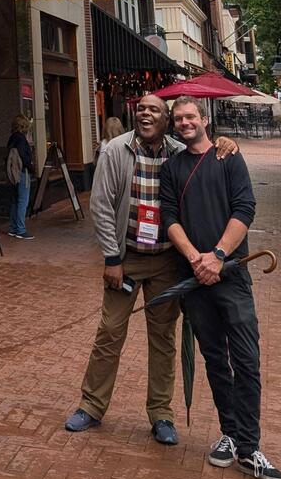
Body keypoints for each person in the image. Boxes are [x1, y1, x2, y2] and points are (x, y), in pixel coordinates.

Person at [64, 95, 236, 446]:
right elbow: (100, 206)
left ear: (167, 120)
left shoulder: (178, 152)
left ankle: (161, 414)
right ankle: (92, 406)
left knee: (163, 339)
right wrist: (112, 258)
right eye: (141, 109)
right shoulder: (115, 150)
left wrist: (224, 143)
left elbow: (206, 152)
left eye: (154, 110)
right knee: (110, 331)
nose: (145, 113)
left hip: (166, 262)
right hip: (125, 260)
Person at [160, 96, 281, 479]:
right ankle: (230, 434)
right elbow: (170, 217)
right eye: (178, 118)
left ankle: (251, 447)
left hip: (231, 275)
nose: (184, 122)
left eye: (190, 116)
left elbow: (244, 208)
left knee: (247, 359)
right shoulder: (171, 167)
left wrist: (217, 255)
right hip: (195, 280)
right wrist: (196, 259)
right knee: (215, 359)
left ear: (203, 119)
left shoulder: (228, 157)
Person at [6, 114, 34, 240]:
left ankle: (12, 228)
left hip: (12, 174)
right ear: (24, 126)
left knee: (15, 200)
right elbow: (25, 157)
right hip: (22, 173)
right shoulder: (22, 140)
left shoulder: (11, 138)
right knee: (23, 201)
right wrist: (31, 167)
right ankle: (21, 230)